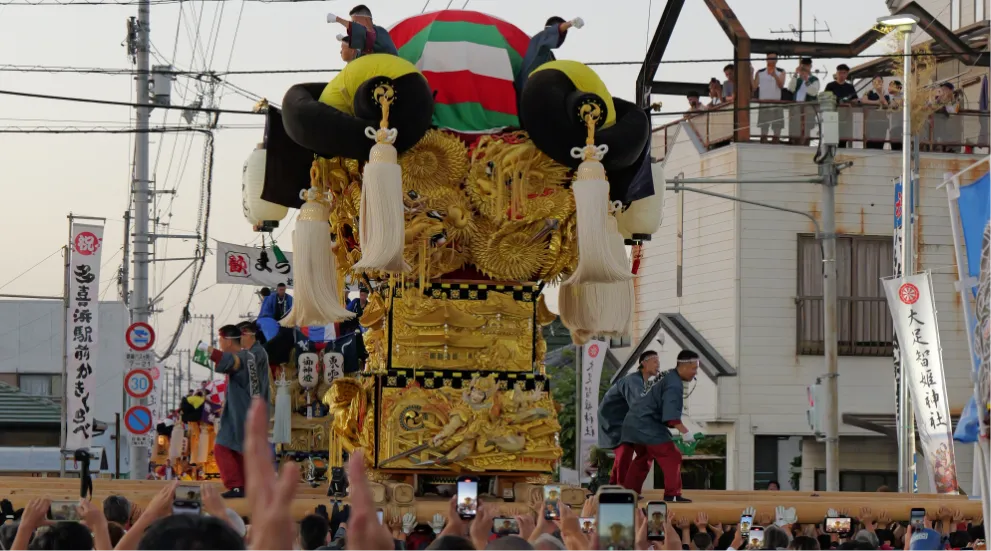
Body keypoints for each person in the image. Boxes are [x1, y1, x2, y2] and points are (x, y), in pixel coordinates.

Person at [619, 349, 700, 501]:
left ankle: (629, 493)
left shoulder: (666, 375)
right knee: (671, 455)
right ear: (683, 366)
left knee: (644, 456)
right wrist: (685, 431)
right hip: (646, 423)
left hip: (632, 422)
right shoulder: (674, 384)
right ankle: (672, 494)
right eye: (694, 368)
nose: (695, 373)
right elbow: (671, 414)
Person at [208, 324, 272, 498]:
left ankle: (238, 485)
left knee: (226, 445)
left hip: (246, 408)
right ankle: (245, 485)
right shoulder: (254, 354)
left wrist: (212, 353)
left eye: (221, 340)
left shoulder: (251, 355)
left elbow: (233, 362)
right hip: (246, 407)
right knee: (237, 447)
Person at [598, 351, 660, 486]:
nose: (658, 364)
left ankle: (620, 486)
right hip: (613, 421)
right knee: (625, 451)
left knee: (645, 451)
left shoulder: (641, 382)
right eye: (655, 361)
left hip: (627, 422)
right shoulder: (634, 381)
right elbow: (639, 406)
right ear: (644, 363)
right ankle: (622, 488)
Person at [514, 16, 585, 101]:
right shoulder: (538, 40)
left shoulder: (549, 55)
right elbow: (551, 32)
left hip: (539, 95)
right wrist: (571, 23)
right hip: (527, 93)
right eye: (564, 32)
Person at [328, 5, 398, 59]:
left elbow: (364, 35)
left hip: (389, 68)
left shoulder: (379, 31)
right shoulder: (366, 39)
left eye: (355, 22)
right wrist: (346, 40)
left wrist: (337, 19)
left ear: (366, 20)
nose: (354, 24)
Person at [753, 52, 786, 143]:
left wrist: (774, 75)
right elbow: (754, 87)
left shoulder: (781, 71)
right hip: (764, 103)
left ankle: (776, 142)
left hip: (777, 103)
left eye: (774, 59)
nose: (772, 61)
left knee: (777, 127)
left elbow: (781, 85)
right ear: (766, 59)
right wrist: (750, 73)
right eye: (770, 58)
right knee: (764, 128)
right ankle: (764, 142)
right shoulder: (760, 72)